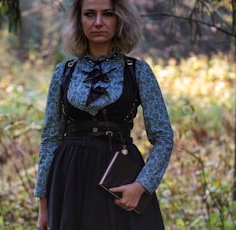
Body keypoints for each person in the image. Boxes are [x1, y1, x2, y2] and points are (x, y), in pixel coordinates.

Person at [34, 0, 174, 229]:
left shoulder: (138, 71)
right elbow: (50, 138)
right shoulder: (63, 72)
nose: (98, 22)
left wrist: (141, 186)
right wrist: (44, 205)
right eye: (90, 14)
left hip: (120, 181)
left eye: (107, 14)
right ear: (78, 21)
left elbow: (163, 137)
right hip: (70, 181)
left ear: (120, 19)